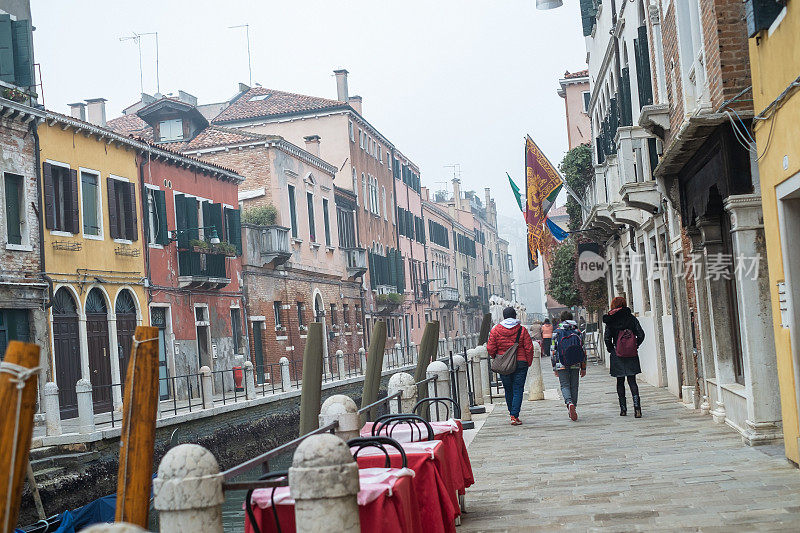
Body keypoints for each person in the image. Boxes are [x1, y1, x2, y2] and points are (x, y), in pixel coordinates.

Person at [487, 306, 535, 425]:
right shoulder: (522, 330)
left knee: (508, 389)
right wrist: (528, 361)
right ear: (515, 316)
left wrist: (498, 358)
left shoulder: (495, 330)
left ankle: (512, 414)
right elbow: (529, 347)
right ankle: (514, 415)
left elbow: (490, 348)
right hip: (521, 363)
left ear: (504, 316)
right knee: (518, 389)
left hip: (504, 365)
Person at [603, 296, 646, 417]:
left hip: (617, 354)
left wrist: (611, 349)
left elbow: (607, 338)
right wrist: (635, 345)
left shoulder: (610, 319)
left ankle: (623, 409)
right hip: (631, 353)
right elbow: (641, 334)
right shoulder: (631, 318)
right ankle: (637, 408)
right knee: (632, 381)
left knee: (620, 381)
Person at [552, 310, 587, 421]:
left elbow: (553, 350)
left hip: (561, 362)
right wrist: (583, 366)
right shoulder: (577, 331)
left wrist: (554, 367)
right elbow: (583, 349)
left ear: (561, 320)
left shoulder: (556, 332)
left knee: (564, 385)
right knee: (574, 386)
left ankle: (569, 402)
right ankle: (574, 407)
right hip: (575, 362)